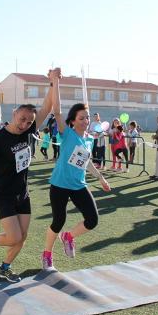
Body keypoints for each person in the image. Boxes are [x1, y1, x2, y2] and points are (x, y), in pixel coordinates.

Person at [0, 70, 54, 283]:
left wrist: (53, 82)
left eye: (29, 122)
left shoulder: (28, 132)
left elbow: (47, 108)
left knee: (22, 238)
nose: (25, 124)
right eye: (23, 119)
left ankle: (5, 268)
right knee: (14, 237)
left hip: (23, 194)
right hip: (4, 195)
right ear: (14, 113)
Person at [41, 70, 110, 271]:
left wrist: (101, 178)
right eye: (81, 117)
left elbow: (86, 162)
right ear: (72, 121)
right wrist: (55, 82)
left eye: (87, 118)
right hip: (60, 185)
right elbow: (58, 111)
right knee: (58, 220)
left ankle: (69, 236)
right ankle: (47, 254)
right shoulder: (68, 133)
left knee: (92, 220)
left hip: (79, 185)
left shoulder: (88, 139)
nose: (85, 120)